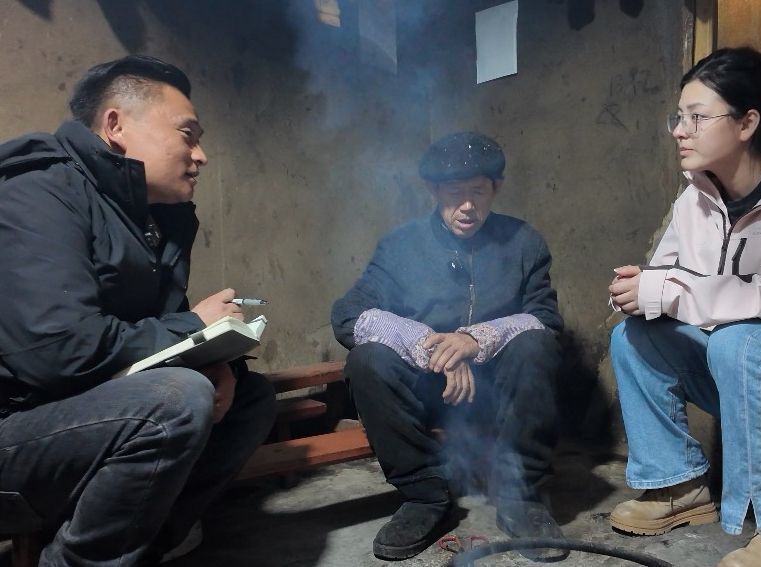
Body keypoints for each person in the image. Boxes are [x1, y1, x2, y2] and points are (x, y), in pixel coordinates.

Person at [0, 56, 277, 566]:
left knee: (249, 397)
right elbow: (59, 351)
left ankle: (144, 548)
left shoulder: (154, 218)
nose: (201, 156)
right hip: (13, 427)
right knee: (177, 399)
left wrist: (218, 363)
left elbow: (153, 335)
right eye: (188, 135)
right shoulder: (36, 190)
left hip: (73, 413)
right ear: (116, 126)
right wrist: (194, 326)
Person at [607, 46, 761, 567]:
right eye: (678, 117)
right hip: (746, 368)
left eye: (696, 118)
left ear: (747, 123)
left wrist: (670, 290)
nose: (680, 131)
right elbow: (666, 276)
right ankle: (677, 486)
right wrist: (638, 291)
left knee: (745, 342)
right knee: (636, 336)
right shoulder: (696, 197)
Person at [331, 131, 568, 561]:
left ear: (496, 187)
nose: (468, 206)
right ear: (433, 190)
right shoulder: (400, 246)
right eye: (455, 193)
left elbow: (547, 321)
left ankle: (520, 496)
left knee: (536, 345)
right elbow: (349, 314)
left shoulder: (523, 242)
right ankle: (424, 496)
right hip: (426, 394)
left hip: (498, 394)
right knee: (367, 359)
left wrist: (474, 341)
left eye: (478, 191)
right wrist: (430, 347)